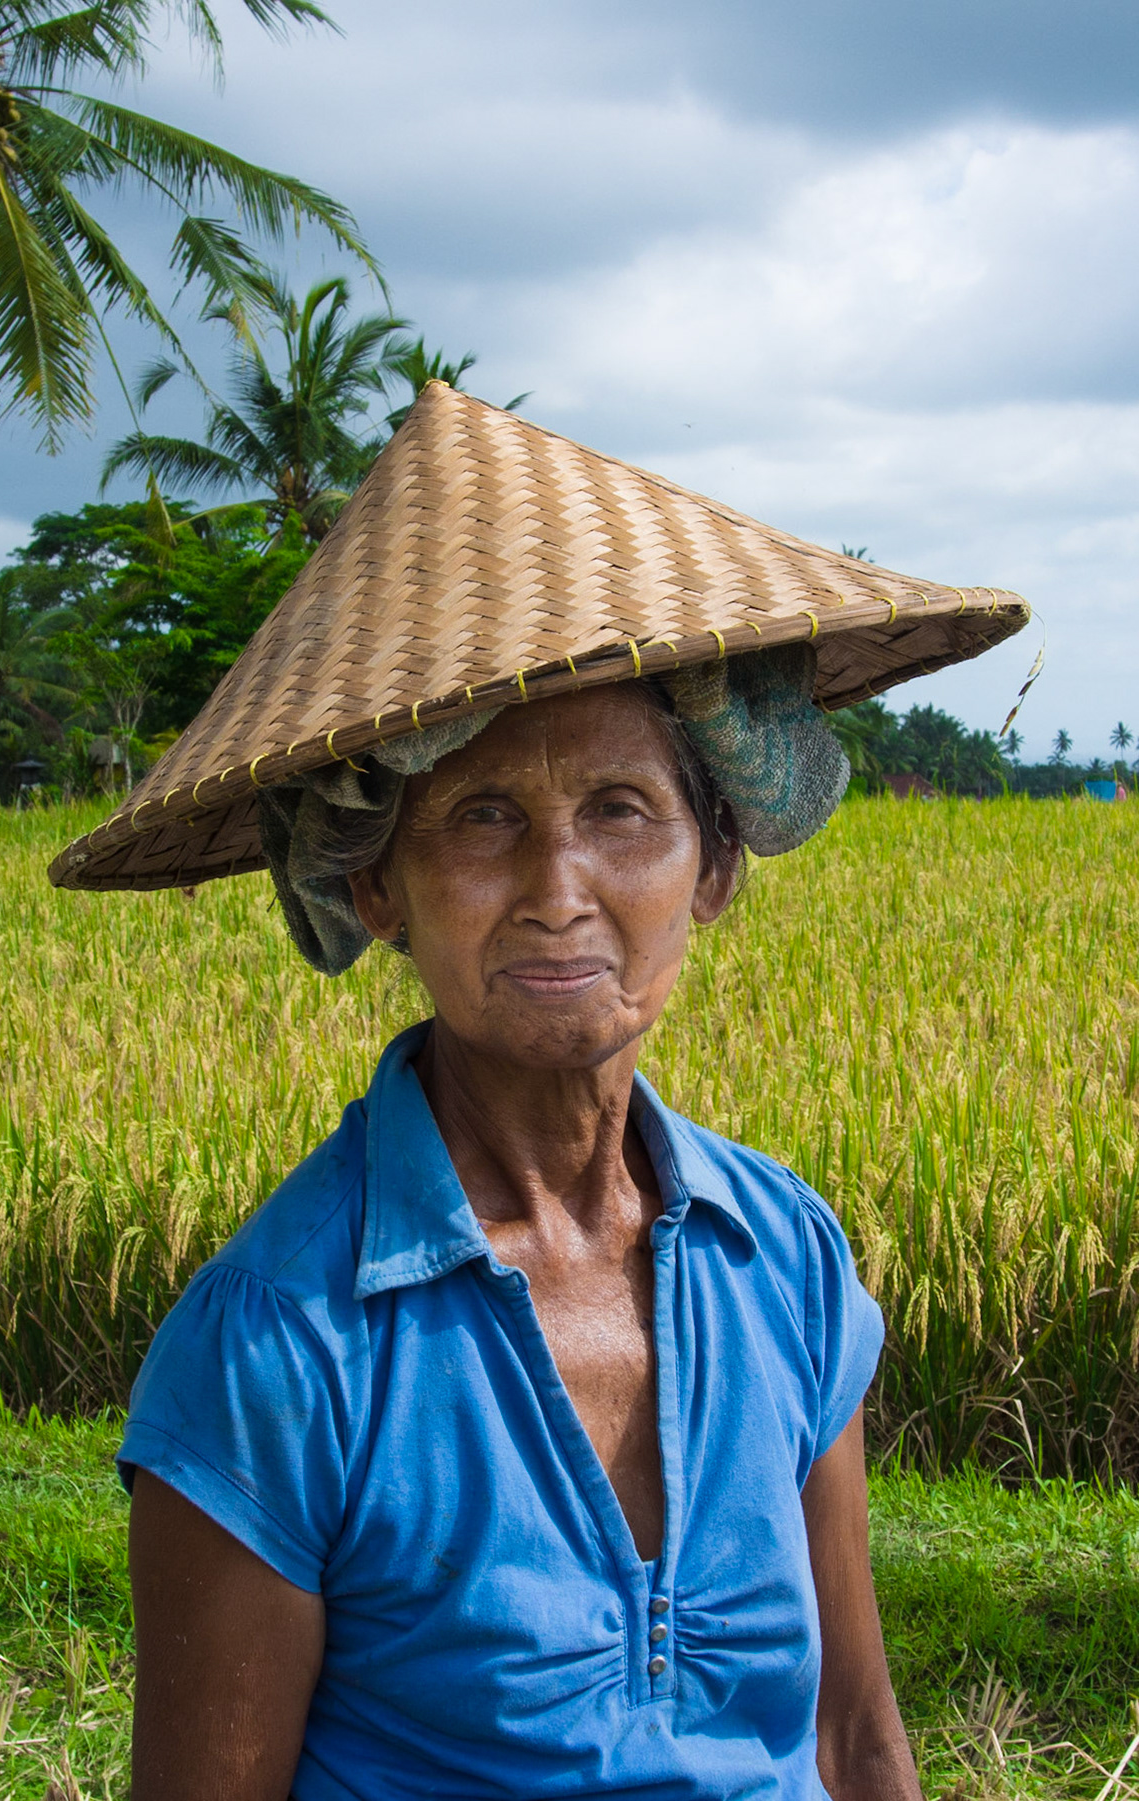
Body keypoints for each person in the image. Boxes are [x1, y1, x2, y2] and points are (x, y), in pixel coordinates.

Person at [51, 382, 1029, 1800]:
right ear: (376, 884)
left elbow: (852, 1741)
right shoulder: (277, 1351)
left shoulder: (788, 1261)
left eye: (621, 810)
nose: (559, 892)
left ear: (713, 866)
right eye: (485, 817)